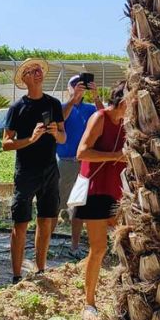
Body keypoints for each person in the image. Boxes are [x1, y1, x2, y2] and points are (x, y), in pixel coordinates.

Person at [3, 59, 66, 283]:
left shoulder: (54, 104)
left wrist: (53, 132)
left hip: (50, 170)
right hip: (26, 172)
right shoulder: (17, 107)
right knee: (20, 223)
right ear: (24, 78)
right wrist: (31, 139)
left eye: (39, 70)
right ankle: (17, 275)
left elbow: (63, 136)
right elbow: (5, 143)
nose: (37, 73)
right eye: (31, 71)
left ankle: (41, 269)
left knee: (46, 220)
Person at [75, 81, 129, 320]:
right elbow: (82, 152)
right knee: (98, 248)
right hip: (94, 190)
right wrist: (115, 156)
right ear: (124, 100)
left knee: (126, 245)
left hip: (118, 192)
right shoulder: (100, 118)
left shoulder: (128, 124)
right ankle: (89, 303)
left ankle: (125, 298)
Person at [56, 74, 100, 261]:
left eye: (81, 84)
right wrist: (73, 100)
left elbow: (103, 116)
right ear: (68, 88)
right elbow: (60, 119)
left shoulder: (90, 109)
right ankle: (44, 242)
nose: (78, 86)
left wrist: (96, 96)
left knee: (79, 207)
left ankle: (74, 247)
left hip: (84, 164)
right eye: (74, 84)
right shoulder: (61, 108)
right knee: (56, 204)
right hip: (66, 162)